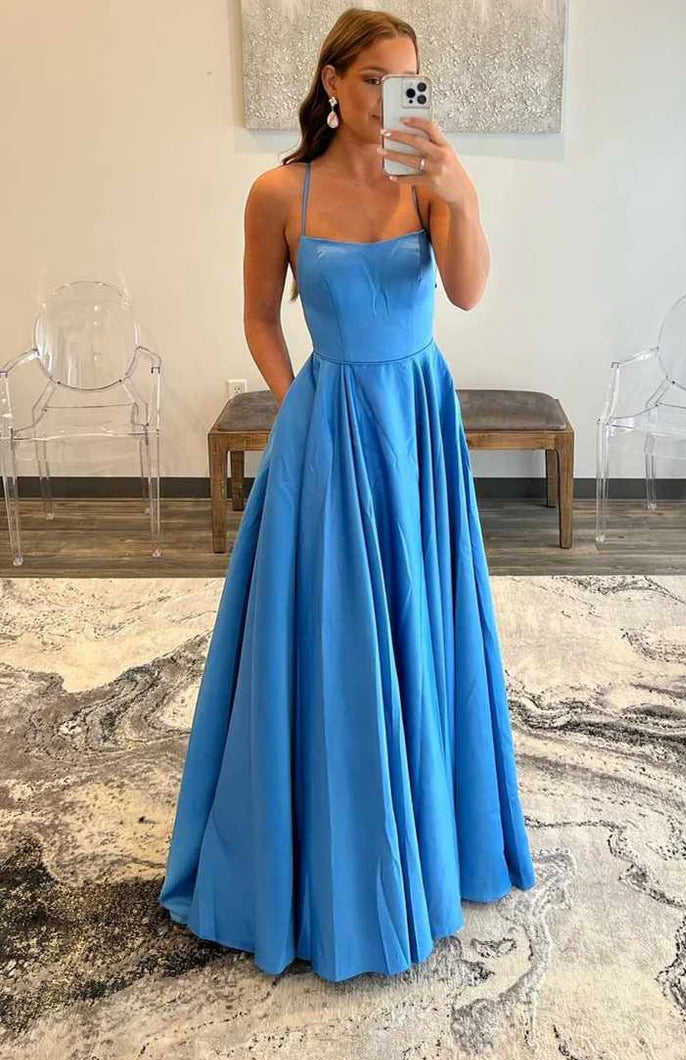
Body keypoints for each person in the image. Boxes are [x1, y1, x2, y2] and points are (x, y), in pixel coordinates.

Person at [158, 6, 536, 983]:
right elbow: (258, 316)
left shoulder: (426, 181)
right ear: (331, 81)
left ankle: (429, 834)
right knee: (326, 635)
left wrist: (461, 194)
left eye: (406, 81)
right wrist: (296, 406)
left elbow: (467, 292)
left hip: (416, 425)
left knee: (421, 620)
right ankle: (325, 857)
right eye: (372, 79)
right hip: (327, 426)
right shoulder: (277, 191)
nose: (387, 99)